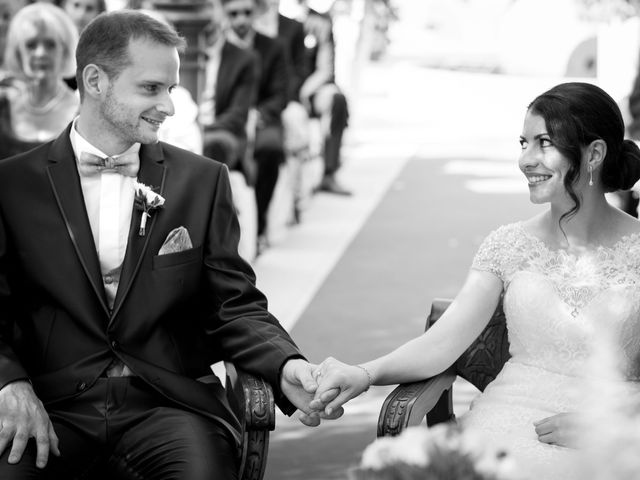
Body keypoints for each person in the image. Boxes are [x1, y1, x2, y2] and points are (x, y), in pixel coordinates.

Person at [0, 10, 339, 479]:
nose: (169, 106)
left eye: (170, 89)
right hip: (51, 404)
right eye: (151, 88)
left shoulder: (202, 182)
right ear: (95, 81)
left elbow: (234, 305)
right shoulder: (12, 185)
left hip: (169, 407)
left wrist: (286, 365)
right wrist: (8, 383)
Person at [310, 82, 640, 479]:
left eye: (544, 143)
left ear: (595, 154)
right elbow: (440, 344)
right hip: (507, 420)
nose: (525, 160)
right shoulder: (507, 244)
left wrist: (612, 424)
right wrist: (363, 374)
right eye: (523, 142)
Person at [222, 0, 289, 252]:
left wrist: (257, 114)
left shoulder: (273, 47)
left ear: (256, 13)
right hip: (228, 118)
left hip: (262, 119)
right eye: (234, 13)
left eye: (246, 13)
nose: (240, 20)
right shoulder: (219, 48)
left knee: (270, 148)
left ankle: (258, 225)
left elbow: (281, 94)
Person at [0, 2, 79, 159]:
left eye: (50, 45)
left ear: (64, 51)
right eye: (31, 45)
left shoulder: (82, 113)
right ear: (18, 53)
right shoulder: (3, 107)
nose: (41, 53)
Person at [200, 0, 259, 175]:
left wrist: (202, 130)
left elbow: (238, 114)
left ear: (221, 13)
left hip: (221, 130)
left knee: (213, 145)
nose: (206, 15)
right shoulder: (180, 54)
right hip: (185, 128)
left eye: (210, 7)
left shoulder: (245, 59)